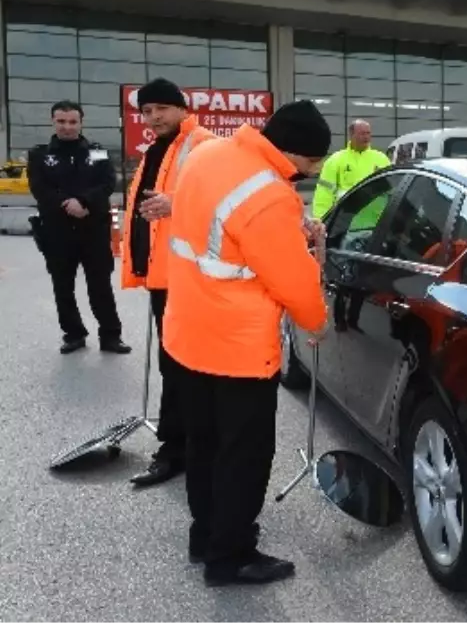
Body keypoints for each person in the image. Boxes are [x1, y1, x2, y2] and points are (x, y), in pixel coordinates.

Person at [163, 100, 331, 586]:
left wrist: (286, 233)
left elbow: (222, 233)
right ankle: (231, 555)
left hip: (187, 335)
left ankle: (205, 536)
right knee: (243, 455)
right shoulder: (271, 195)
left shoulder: (208, 155)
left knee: (204, 444)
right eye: (312, 163)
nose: (311, 172)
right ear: (294, 154)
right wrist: (316, 324)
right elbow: (294, 283)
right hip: (237, 350)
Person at [120, 79, 216, 488]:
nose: (153, 117)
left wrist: (178, 203)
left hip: (190, 279)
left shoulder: (204, 144)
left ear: (181, 108)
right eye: (146, 111)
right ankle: (181, 446)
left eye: (161, 108)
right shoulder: (157, 150)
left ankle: (181, 450)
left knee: (186, 368)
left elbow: (227, 199)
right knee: (174, 365)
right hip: (164, 277)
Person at [27, 100, 131, 355]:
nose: (67, 127)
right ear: (53, 122)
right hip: (57, 233)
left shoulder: (96, 152)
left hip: (93, 231)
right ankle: (73, 334)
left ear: (81, 122)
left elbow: (108, 183)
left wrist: (83, 202)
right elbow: (40, 189)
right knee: (63, 287)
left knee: (101, 287)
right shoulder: (40, 154)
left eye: (73, 121)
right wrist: (67, 204)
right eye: (61, 121)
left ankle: (110, 336)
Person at [310, 119, 391, 219]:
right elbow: (324, 192)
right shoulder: (335, 160)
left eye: (368, 133)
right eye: (362, 133)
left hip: (376, 222)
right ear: (351, 135)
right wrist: (320, 219)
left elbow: (391, 189)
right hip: (346, 223)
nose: (366, 137)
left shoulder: (382, 159)